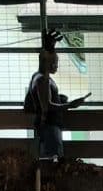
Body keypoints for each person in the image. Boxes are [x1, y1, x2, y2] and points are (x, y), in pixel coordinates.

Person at [22, 28, 87, 162]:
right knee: (52, 160)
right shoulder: (42, 80)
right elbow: (47, 106)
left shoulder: (41, 77)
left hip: (49, 126)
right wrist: (69, 105)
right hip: (49, 126)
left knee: (52, 159)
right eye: (54, 63)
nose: (56, 65)